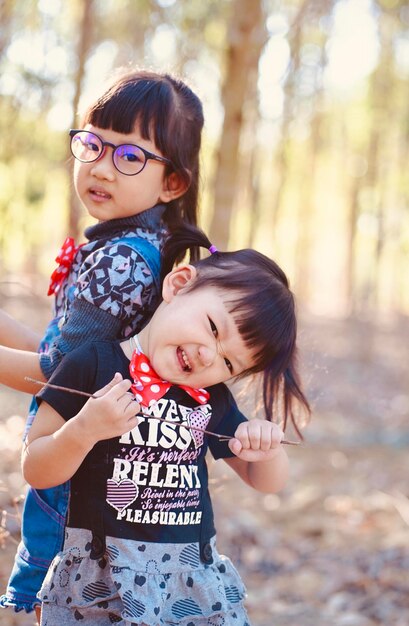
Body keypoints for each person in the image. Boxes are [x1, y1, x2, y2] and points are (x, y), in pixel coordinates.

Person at [21, 224, 310, 625]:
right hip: (103, 576)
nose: (210, 357)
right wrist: (83, 431)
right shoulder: (93, 365)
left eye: (229, 363)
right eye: (213, 328)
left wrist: (266, 448)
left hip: (187, 575)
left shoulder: (209, 398)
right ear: (178, 284)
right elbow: (35, 466)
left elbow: (265, 481)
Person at [0, 68, 204, 618]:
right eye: (92, 143)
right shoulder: (131, 244)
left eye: (130, 156)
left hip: (83, 466)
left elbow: (57, 376)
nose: (101, 166)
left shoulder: (119, 261)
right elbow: (63, 353)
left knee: (63, 597)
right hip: (96, 461)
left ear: (173, 183)